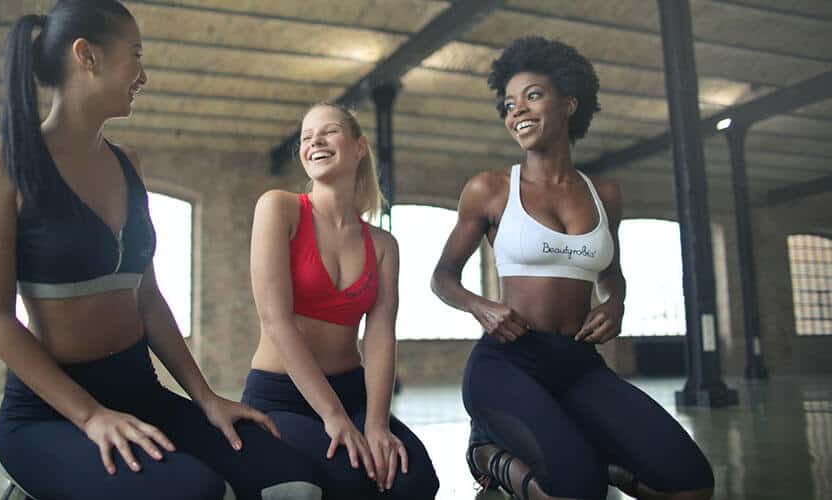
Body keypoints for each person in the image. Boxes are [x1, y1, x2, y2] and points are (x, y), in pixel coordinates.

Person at [0, 2, 323, 498]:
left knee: (294, 483)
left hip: (142, 394)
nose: (144, 75)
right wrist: (90, 416)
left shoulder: (128, 166)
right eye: (135, 55)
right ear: (85, 55)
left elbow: (148, 299)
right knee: (193, 492)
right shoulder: (1, 162)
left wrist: (206, 398)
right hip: (49, 415)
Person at [431, 37, 715, 500]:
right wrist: (481, 307)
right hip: (507, 363)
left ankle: (597, 463)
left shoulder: (606, 194)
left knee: (692, 484)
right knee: (576, 493)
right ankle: (486, 454)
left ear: (569, 102)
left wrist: (617, 302)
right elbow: (442, 276)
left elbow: (611, 271)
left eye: (533, 96)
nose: (517, 111)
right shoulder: (491, 188)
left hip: (579, 365)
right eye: (508, 104)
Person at [240, 103, 440, 499]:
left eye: (328, 131)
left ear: (359, 146)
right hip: (281, 398)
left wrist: (377, 424)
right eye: (305, 136)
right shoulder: (278, 208)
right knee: (351, 482)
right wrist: (333, 417)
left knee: (413, 479)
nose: (314, 140)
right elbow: (275, 319)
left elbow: (380, 336)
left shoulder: (383, 245)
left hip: (353, 393)